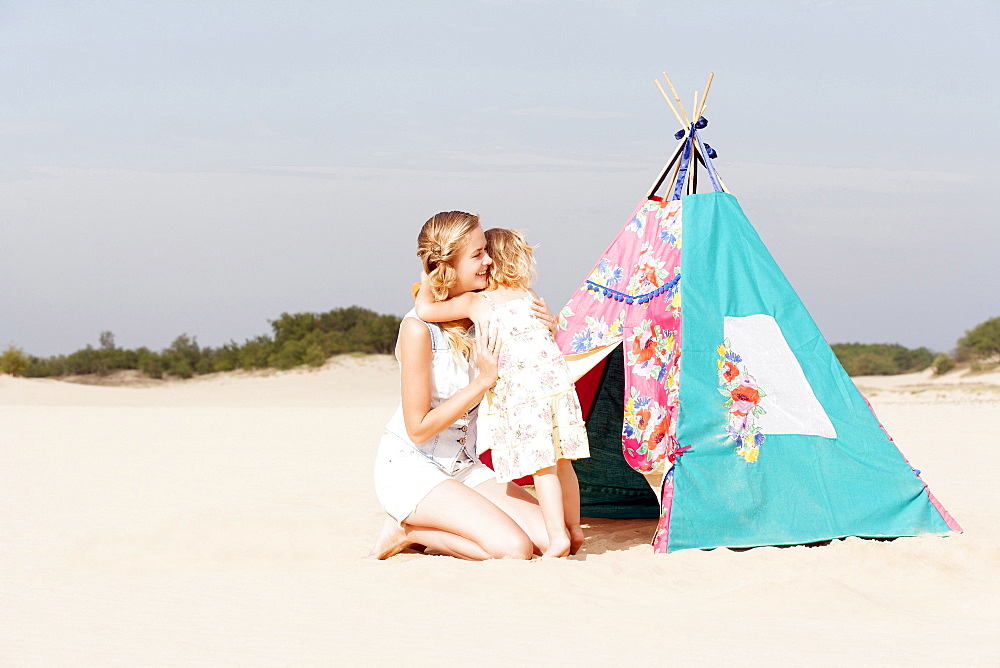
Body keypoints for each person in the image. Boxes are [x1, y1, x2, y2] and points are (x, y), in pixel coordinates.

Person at [369, 211, 555, 560]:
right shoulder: (418, 329)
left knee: (549, 538)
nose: (489, 260)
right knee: (514, 549)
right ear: (449, 265)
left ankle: (433, 522)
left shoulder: (484, 310)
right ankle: (406, 530)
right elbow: (418, 428)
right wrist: (483, 380)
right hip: (413, 466)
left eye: (486, 249)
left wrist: (549, 328)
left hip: (463, 464)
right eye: (477, 254)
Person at [415, 227, 589, 558]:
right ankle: (575, 527)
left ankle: (558, 538)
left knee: (543, 467)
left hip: (526, 393)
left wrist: (430, 271)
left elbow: (425, 310)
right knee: (564, 462)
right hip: (559, 386)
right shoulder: (530, 296)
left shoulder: (479, 301)